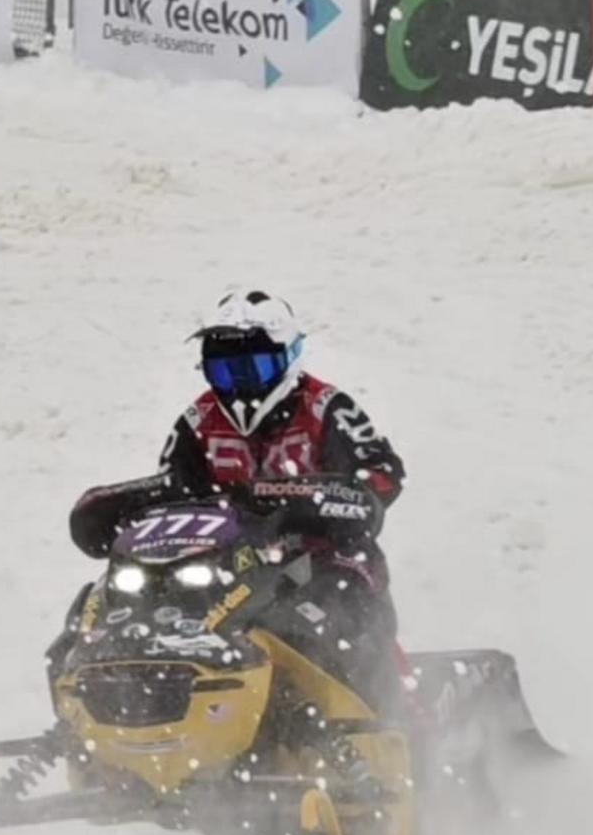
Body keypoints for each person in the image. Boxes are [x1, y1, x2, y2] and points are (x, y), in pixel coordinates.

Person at [69, 290, 407, 718]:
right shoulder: (198, 420)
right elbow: (175, 495)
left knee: (335, 621)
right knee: (100, 610)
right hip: (233, 568)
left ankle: (372, 731)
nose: (240, 383)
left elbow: (379, 477)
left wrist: (311, 499)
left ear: (288, 357)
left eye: (253, 367)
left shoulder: (327, 408)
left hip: (324, 559)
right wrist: (118, 509)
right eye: (224, 371)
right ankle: (116, 717)